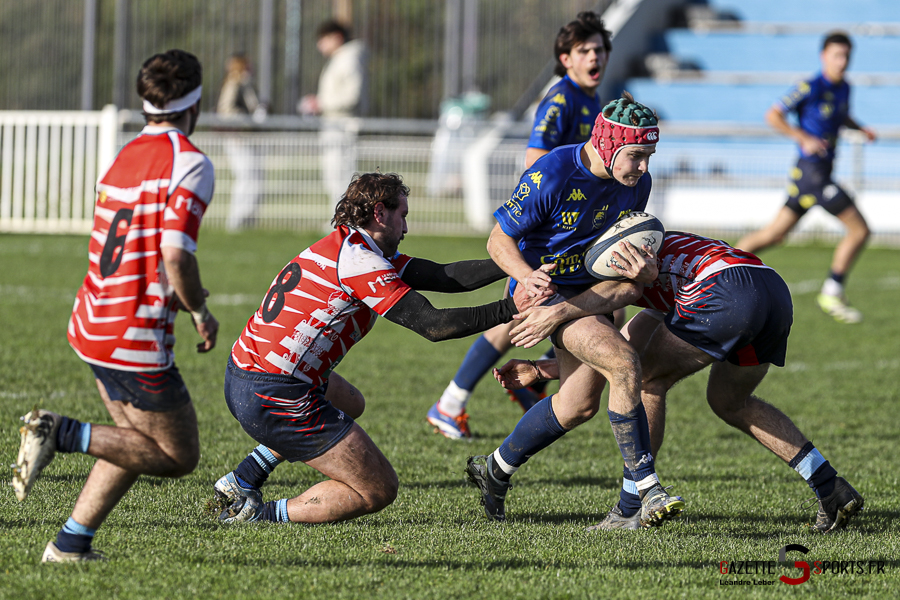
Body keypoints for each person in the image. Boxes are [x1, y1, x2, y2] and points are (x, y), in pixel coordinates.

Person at [212, 172, 534, 525]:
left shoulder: (352, 245)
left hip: (246, 373)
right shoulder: (360, 261)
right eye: (404, 215)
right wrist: (512, 307)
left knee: (351, 401)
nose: (406, 228)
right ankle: (257, 515)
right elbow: (434, 325)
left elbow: (444, 276)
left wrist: (516, 265)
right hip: (274, 394)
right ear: (380, 212)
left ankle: (243, 479)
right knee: (377, 488)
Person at [497, 231, 864, 533]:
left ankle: (631, 507)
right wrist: (544, 370)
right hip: (771, 291)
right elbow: (625, 347)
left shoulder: (616, 263)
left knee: (647, 382)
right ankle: (830, 486)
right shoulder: (653, 246)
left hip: (722, 292)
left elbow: (626, 356)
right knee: (730, 402)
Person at [12, 49, 218, 562]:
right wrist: (199, 309)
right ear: (196, 102)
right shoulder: (189, 163)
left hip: (92, 318)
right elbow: (176, 254)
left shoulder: (123, 155)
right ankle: (60, 431)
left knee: (129, 439)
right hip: (134, 333)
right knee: (177, 455)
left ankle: (70, 544)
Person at [465, 92, 686, 529]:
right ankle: (647, 489)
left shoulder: (637, 184)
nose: (644, 167)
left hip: (588, 294)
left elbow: (620, 256)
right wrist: (526, 277)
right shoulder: (552, 172)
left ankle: (494, 469)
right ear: (607, 142)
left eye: (650, 156)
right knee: (624, 363)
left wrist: (642, 270)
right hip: (543, 291)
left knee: (577, 405)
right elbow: (497, 241)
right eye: (637, 155)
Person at [429, 11, 614, 440]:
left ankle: (527, 384)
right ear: (565, 58)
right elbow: (538, 161)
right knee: (525, 314)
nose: (595, 57)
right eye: (585, 50)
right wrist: (559, 218)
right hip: (549, 231)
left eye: (600, 49)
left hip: (575, 232)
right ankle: (453, 401)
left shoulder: (591, 99)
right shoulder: (562, 99)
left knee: (586, 307)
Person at [736, 31, 876, 324]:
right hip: (812, 174)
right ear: (823, 56)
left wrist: (860, 128)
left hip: (816, 175)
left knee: (775, 234)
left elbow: (841, 116)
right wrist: (802, 137)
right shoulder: (809, 86)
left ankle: (720, 263)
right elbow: (773, 114)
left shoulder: (845, 88)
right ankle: (831, 292)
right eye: (837, 55)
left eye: (846, 56)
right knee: (859, 230)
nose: (842, 61)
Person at [299, 20, 369, 206]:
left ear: (336, 37)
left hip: (343, 127)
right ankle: (338, 221)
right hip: (334, 126)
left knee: (342, 178)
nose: (319, 45)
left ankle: (344, 223)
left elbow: (352, 96)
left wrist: (321, 103)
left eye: (323, 39)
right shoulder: (341, 58)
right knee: (334, 177)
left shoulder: (349, 58)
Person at [217, 53, 264, 231]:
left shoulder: (247, 83)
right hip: (237, 138)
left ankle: (249, 218)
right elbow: (227, 110)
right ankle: (237, 219)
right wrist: (247, 120)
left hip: (248, 137)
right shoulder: (234, 83)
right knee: (245, 177)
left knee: (254, 177)